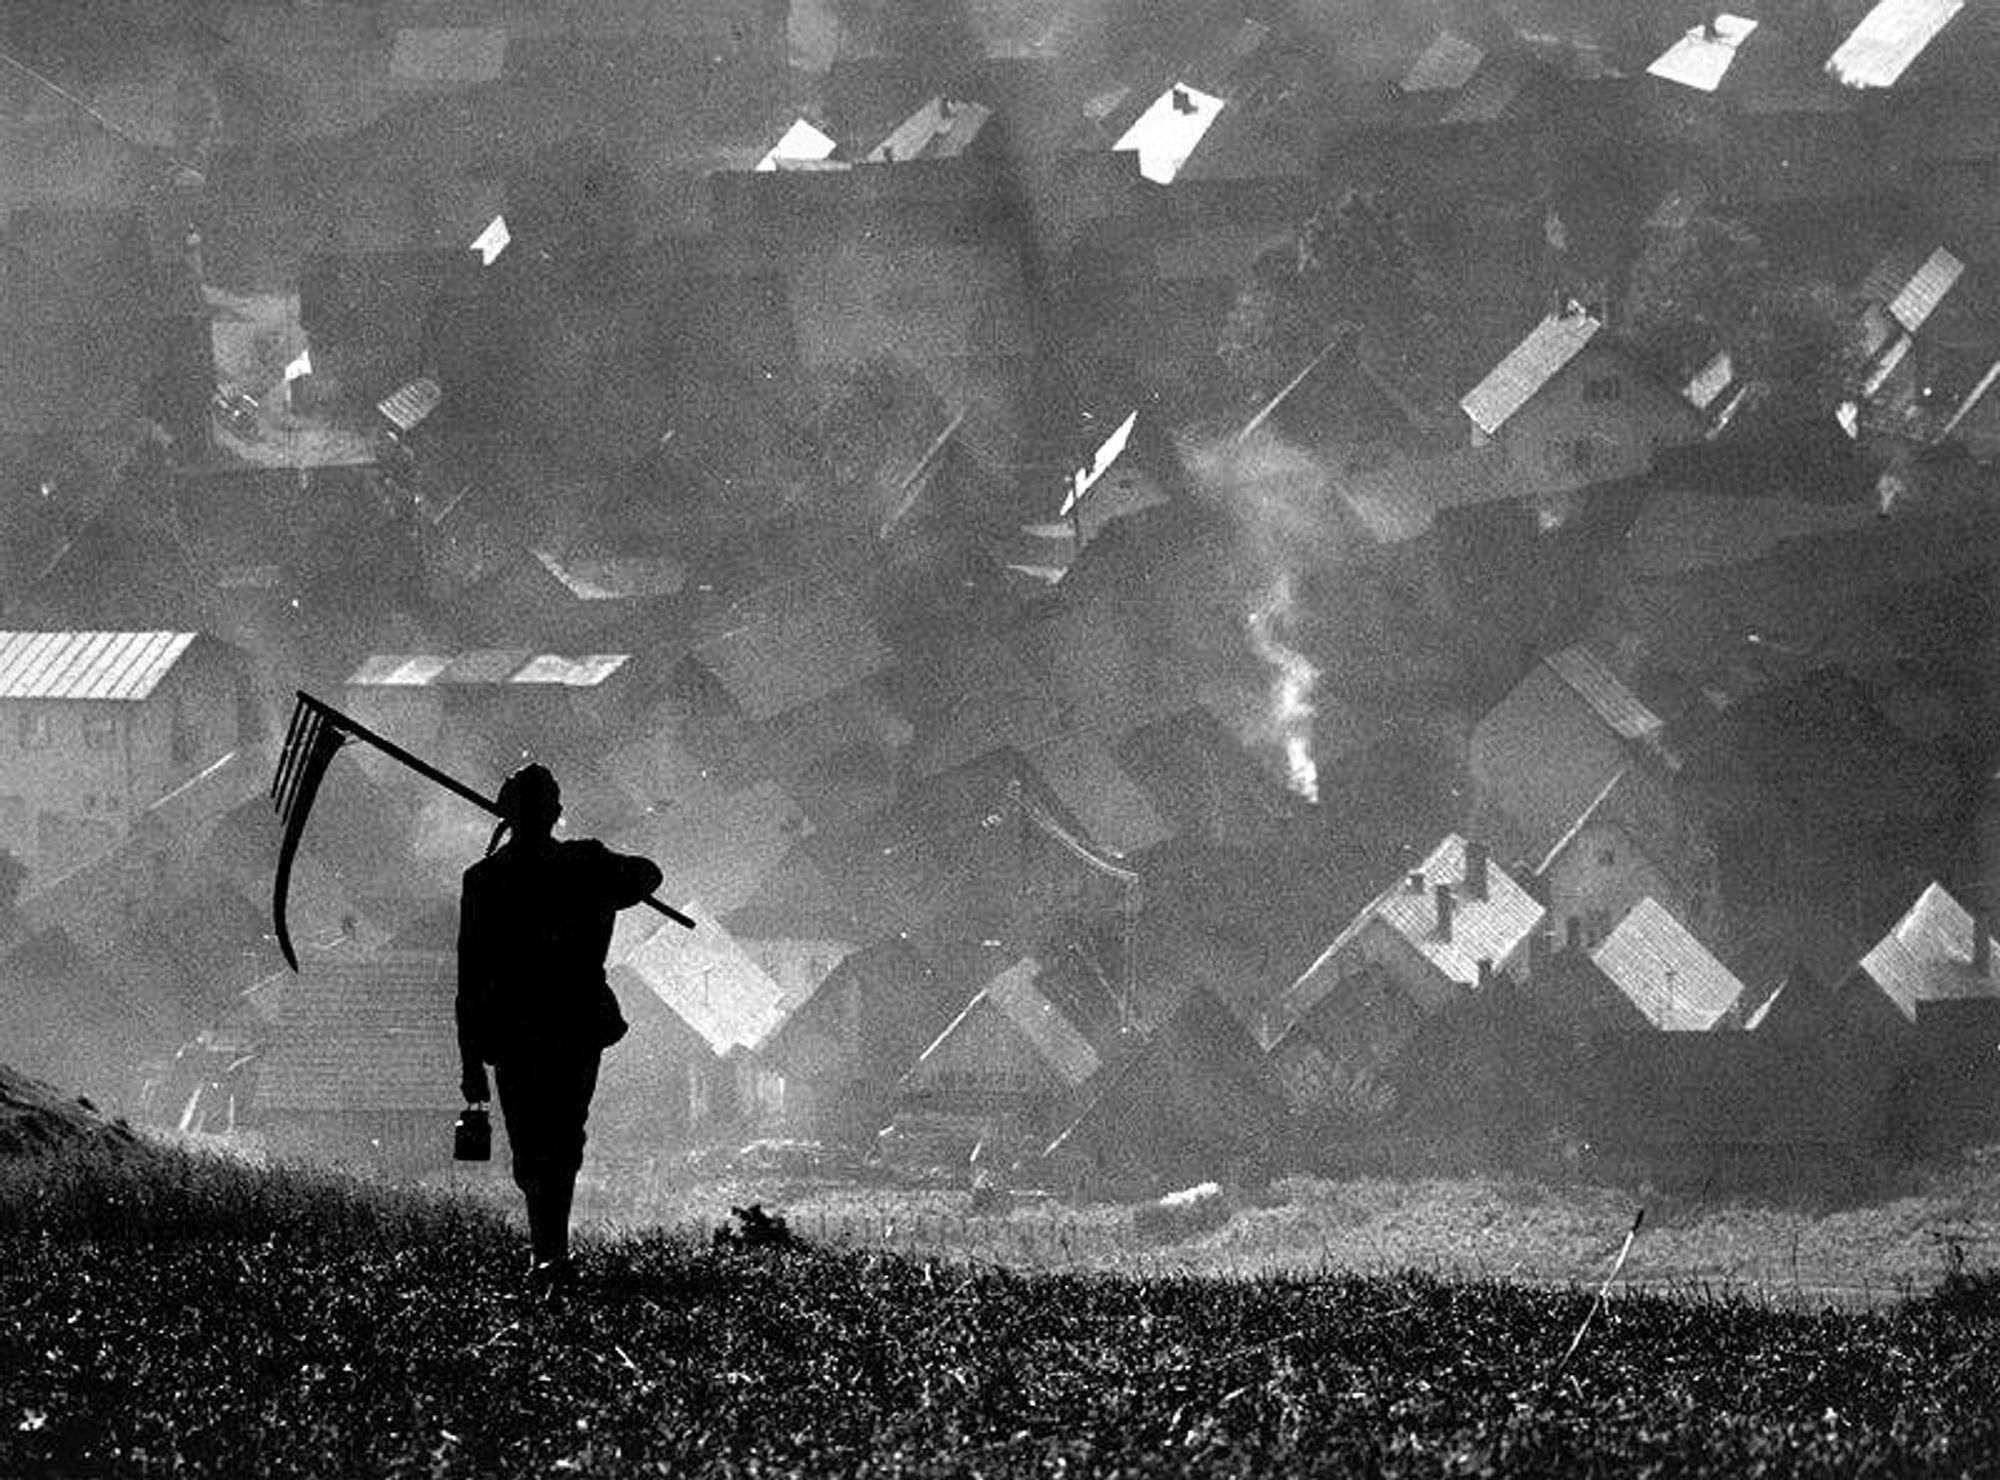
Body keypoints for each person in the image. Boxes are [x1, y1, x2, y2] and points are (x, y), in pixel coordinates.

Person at [456, 763, 664, 1290]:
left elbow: (470, 981)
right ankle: (552, 1254)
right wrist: (585, 860)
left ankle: (545, 1253)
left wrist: (470, 1064)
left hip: (515, 1032)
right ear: (554, 812)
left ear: (506, 813)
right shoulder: (586, 864)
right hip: (573, 1025)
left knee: (532, 1143)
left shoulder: (485, 880)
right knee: (563, 1136)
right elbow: (647, 875)